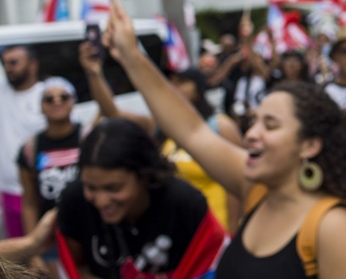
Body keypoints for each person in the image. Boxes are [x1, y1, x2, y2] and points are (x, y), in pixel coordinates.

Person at [101, 1, 346, 279]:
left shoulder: (335, 230)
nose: (252, 134)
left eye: (271, 125)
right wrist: (131, 55)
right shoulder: (255, 192)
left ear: (310, 145)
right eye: (254, 122)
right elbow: (192, 131)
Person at [80, 44, 244, 234]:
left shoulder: (220, 127)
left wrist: (233, 232)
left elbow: (237, 187)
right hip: (178, 232)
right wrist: (94, 73)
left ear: (198, 88)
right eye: (171, 81)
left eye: (182, 81)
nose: (174, 87)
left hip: (216, 230)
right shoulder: (159, 127)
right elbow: (112, 112)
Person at [58, 118, 226, 279]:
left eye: (113, 188)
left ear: (144, 176)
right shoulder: (75, 201)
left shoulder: (184, 203)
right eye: (90, 187)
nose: (101, 201)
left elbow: (210, 264)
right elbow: (74, 267)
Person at [16, 77, 82, 278]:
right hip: (51, 238)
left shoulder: (88, 139)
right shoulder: (30, 149)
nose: (57, 101)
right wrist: (32, 251)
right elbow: (29, 203)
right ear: (41, 107)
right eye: (49, 98)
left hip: (86, 232)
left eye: (63, 96)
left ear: (73, 102)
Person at [0, 46, 46, 240]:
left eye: (14, 62)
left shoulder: (49, 97)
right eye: (5, 63)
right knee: (20, 257)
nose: (8, 67)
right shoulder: (3, 93)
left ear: (33, 65)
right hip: (10, 191)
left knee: (49, 253)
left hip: (42, 193)